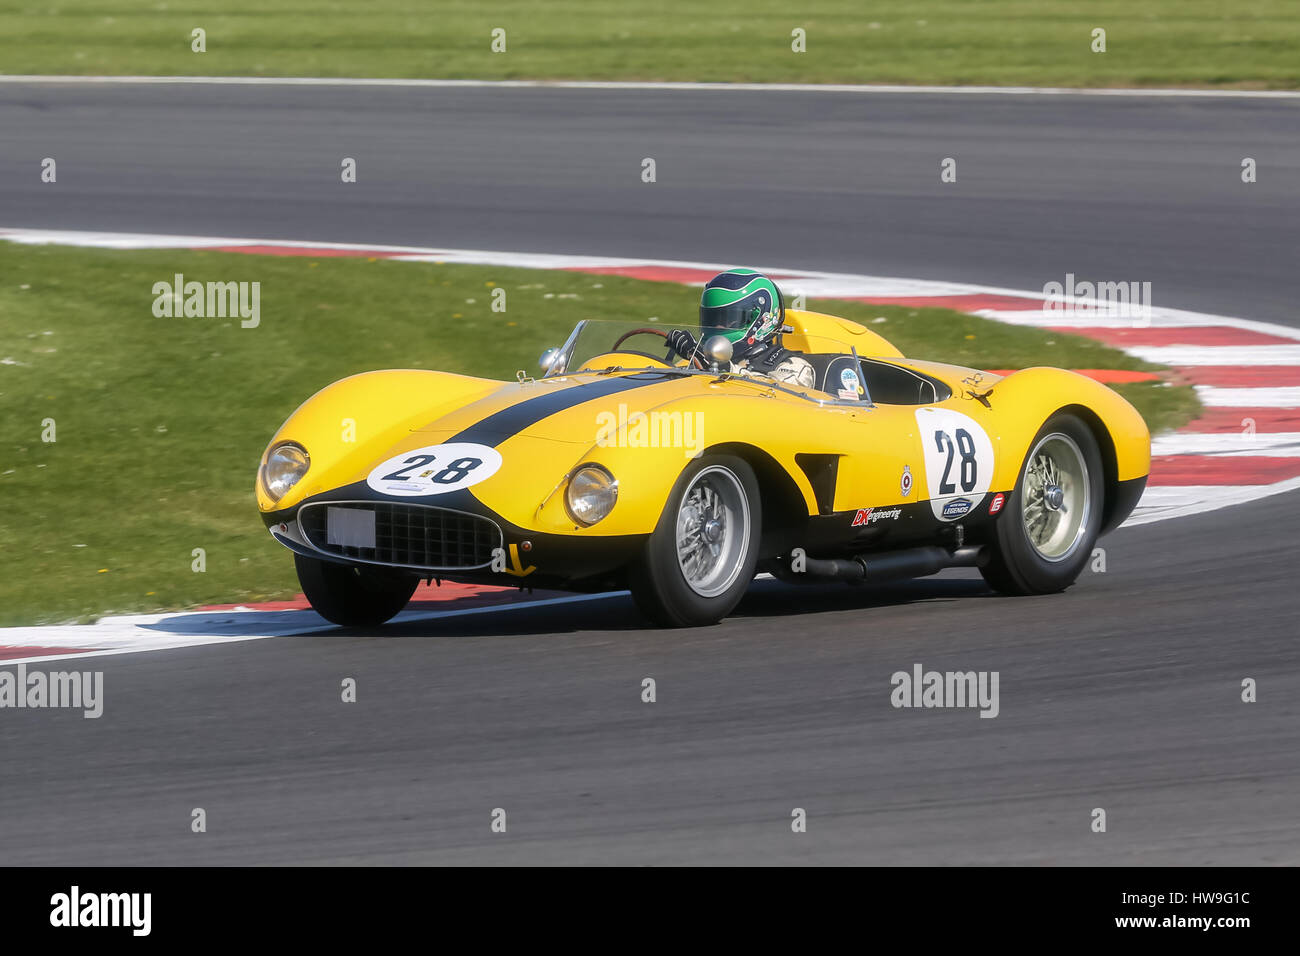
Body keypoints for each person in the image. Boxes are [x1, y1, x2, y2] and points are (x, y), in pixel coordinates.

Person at [665, 268, 815, 388]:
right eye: (712, 318)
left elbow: (776, 393)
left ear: (761, 319)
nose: (717, 326)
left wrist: (720, 368)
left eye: (728, 319)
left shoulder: (795, 367)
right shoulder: (698, 362)